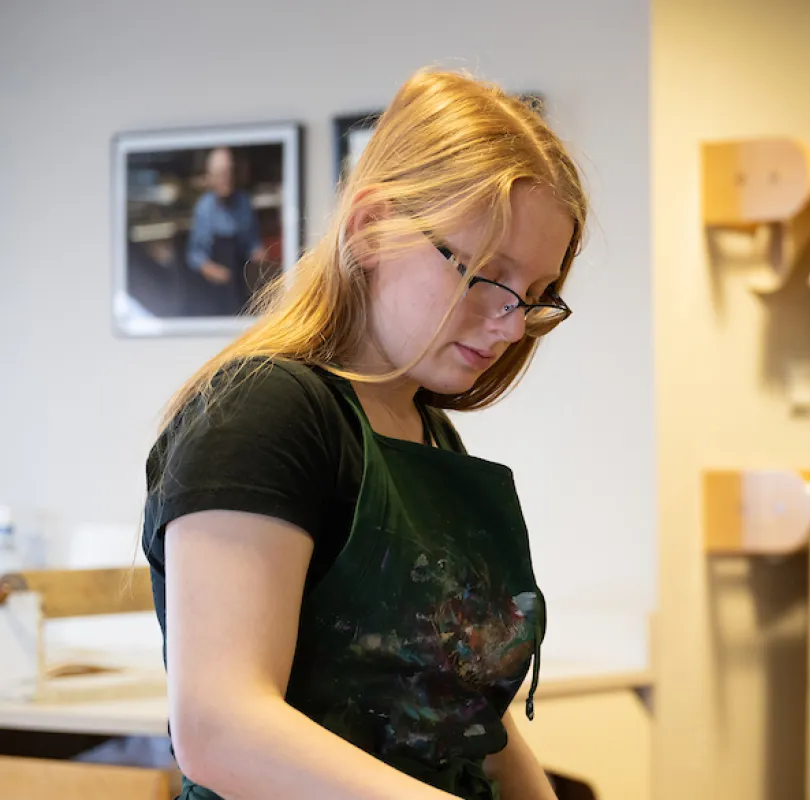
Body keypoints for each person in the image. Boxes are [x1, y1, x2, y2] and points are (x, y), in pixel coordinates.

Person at [141, 68, 585, 800]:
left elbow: (469, 716)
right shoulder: (265, 412)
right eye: (484, 274)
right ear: (372, 227)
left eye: (534, 297)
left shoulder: (428, 432)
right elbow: (222, 726)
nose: (510, 323)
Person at [185, 146, 267, 316]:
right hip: (214, 289)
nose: (226, 179)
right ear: (211, 177)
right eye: (221, 174)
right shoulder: (204, 208)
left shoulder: (244, 203)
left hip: (241, 281)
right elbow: (195, 253)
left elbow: (251, 241)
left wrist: (258, 252)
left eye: (229, 172)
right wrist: (210, 269)